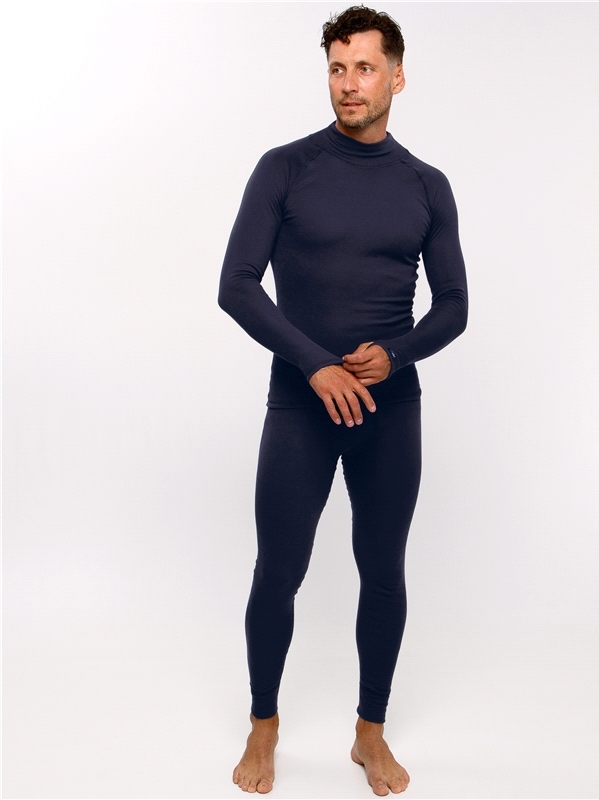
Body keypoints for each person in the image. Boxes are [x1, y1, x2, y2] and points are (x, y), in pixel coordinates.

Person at [218, 6, 467, 795]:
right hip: (301, 406)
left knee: (382, 572)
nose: (348, 83)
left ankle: (369, 733)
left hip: (389, 412)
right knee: (278, 570)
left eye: (364, 67)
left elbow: (454, 307)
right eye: (336, 68)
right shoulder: (285, 168)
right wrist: (315, 365)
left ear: (397, 76)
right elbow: (235, 285)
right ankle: (264, 725)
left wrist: (394, 355)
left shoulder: (425, 186)